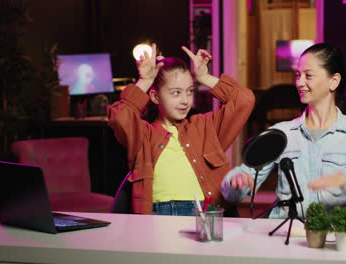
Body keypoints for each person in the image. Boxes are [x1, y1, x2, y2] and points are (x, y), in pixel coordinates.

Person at [221, 43, 346, 219]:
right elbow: (235, 191)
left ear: (333, 81)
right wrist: (236, 181)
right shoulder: (282, 134)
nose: (299, 82)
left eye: (308, 75)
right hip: (286, 238)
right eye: (298, 75)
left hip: (335, 239)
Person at [108, 43, 255, 215]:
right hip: (160, 216)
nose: (185, 100)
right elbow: (120, 116)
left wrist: (205, 77)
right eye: (176, 93)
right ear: (155, 96)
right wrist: (145, 81)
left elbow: (244, 100)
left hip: (205, 214)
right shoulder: (144, 136)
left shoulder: (205, 127)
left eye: (189, 91)